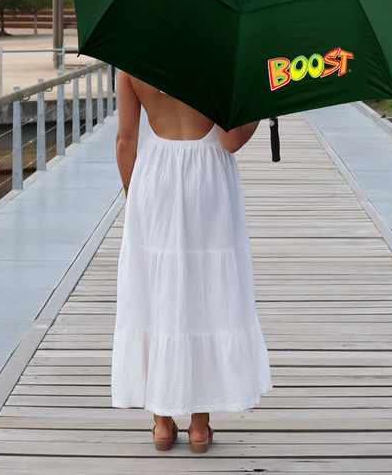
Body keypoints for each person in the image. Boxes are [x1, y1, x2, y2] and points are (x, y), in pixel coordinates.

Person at [111, 69, 273, 453]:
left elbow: (125, 140)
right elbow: (230, 140)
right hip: (208, 181)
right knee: (209, 294)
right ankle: (200, 426)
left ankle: (162, 423)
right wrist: (259, 105)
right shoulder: (214, 57)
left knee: (156, 291)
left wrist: (135, 198)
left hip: (154, 177)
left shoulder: (132, 60)